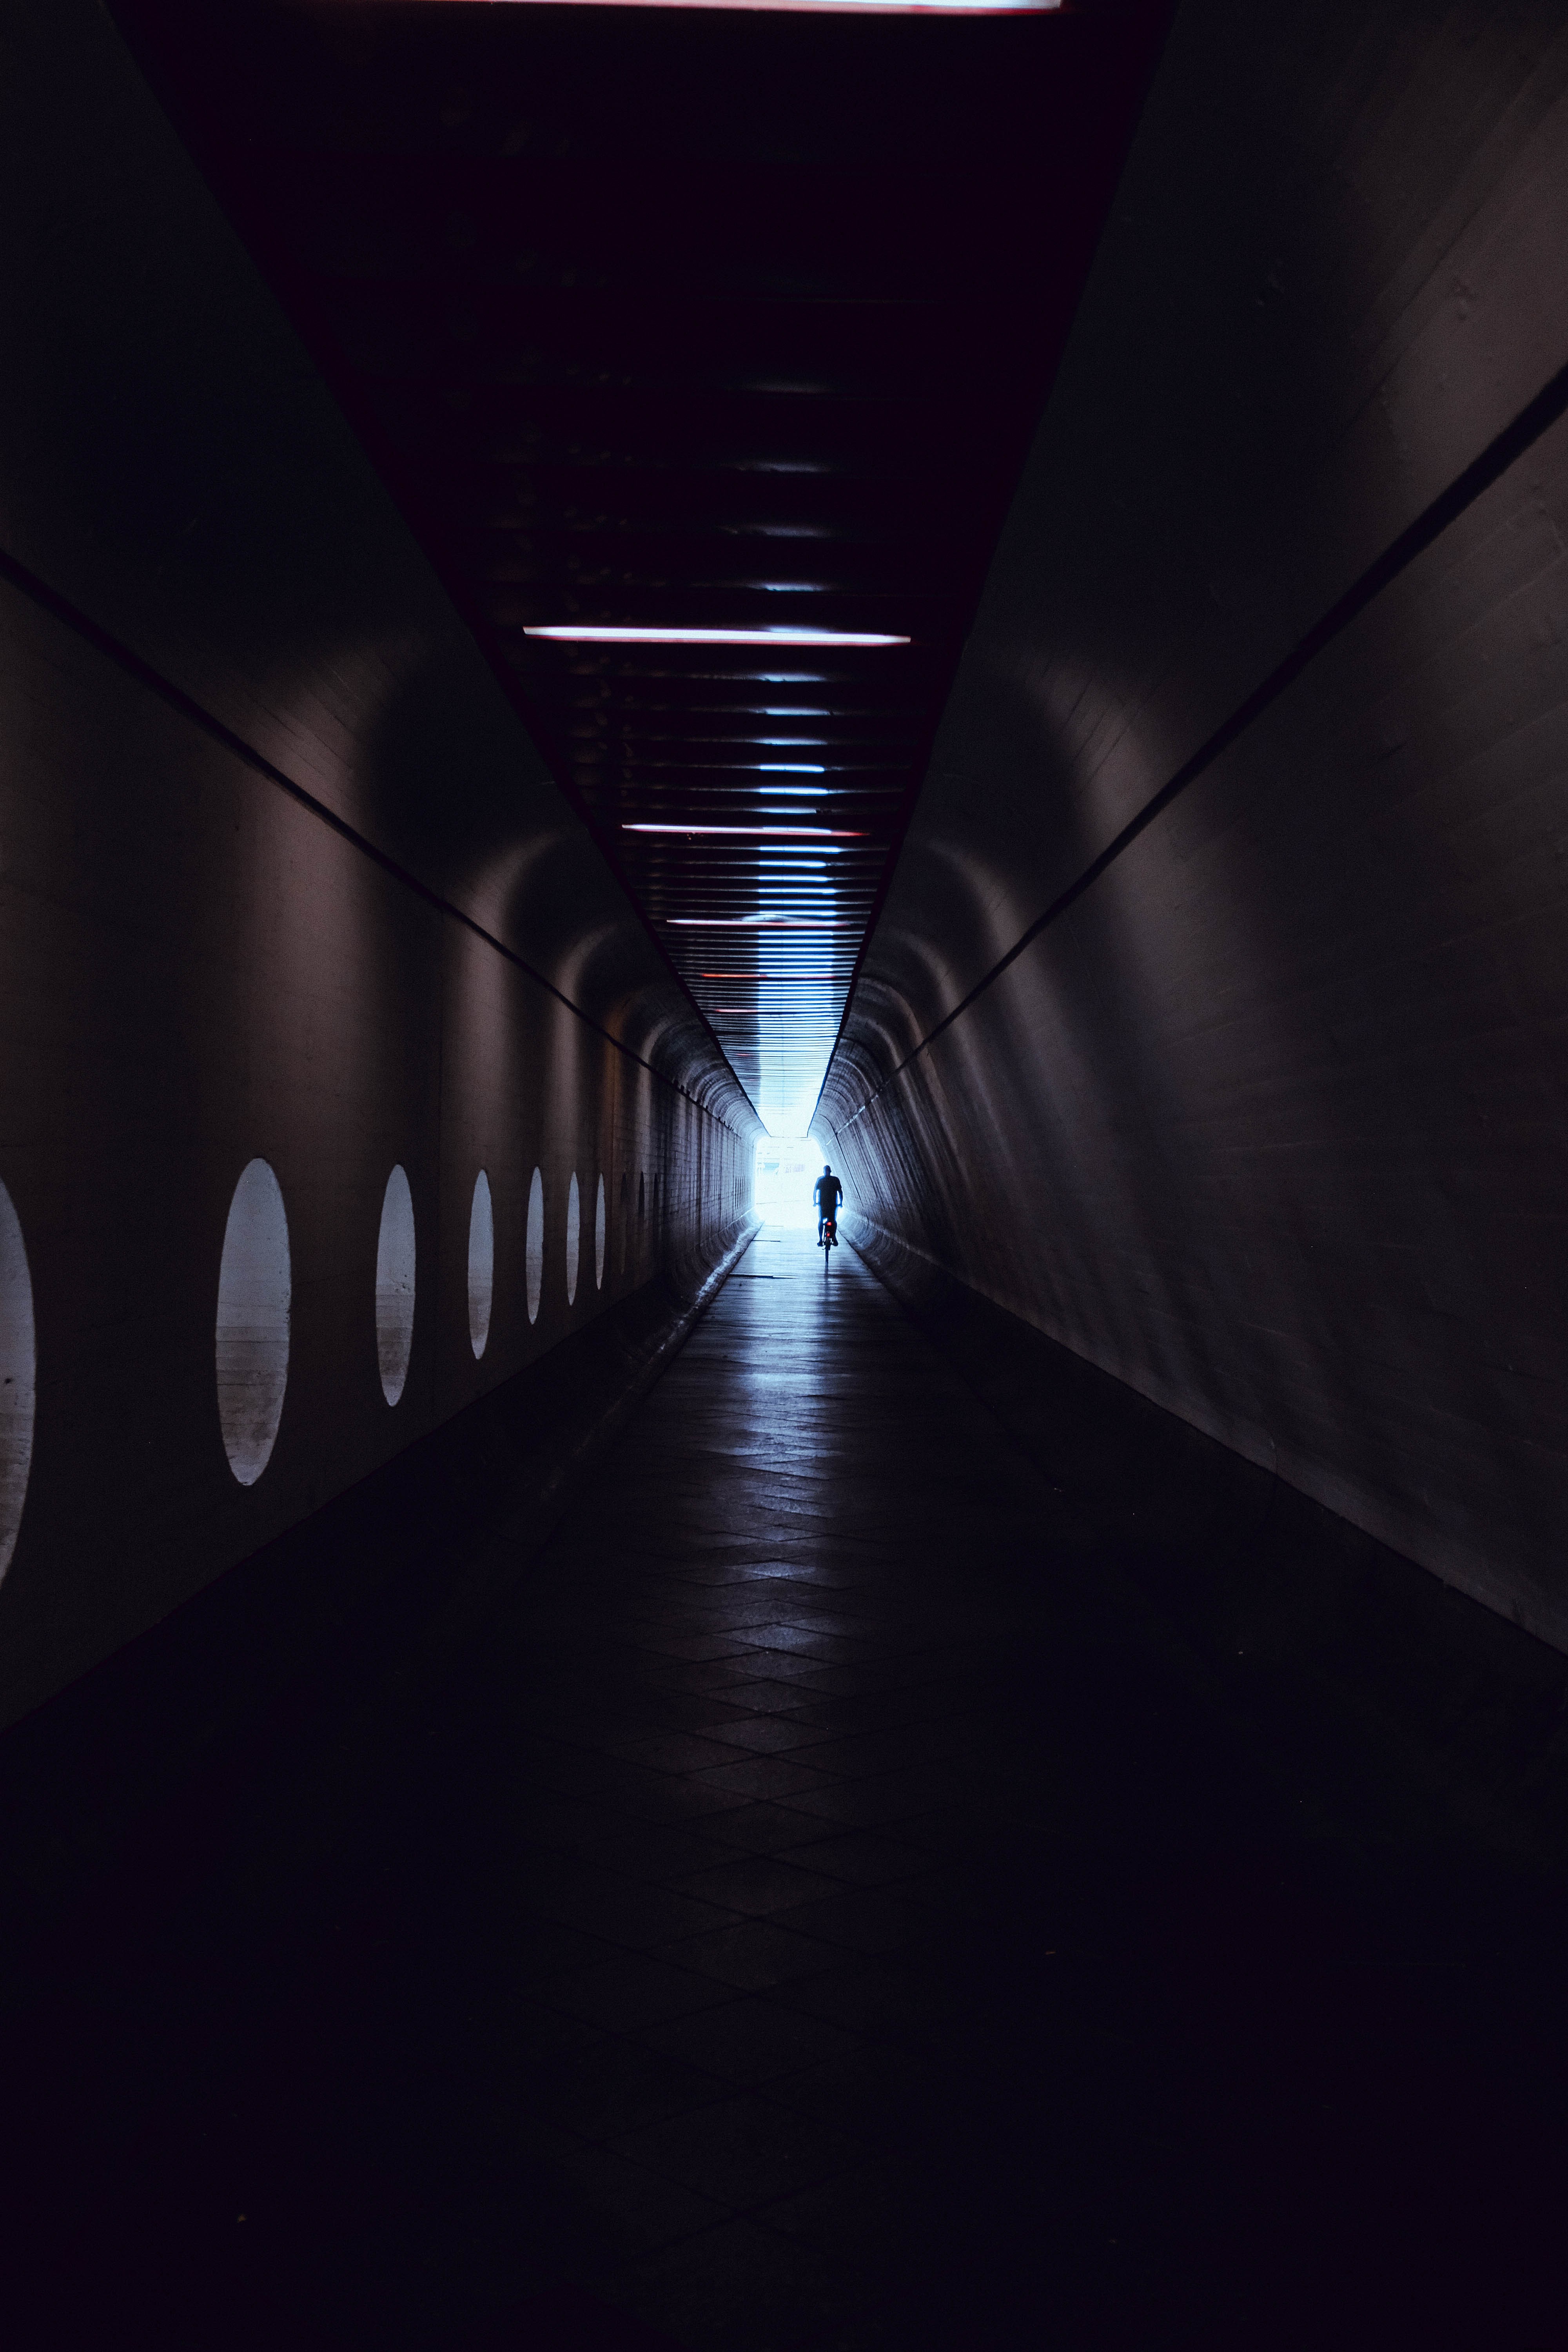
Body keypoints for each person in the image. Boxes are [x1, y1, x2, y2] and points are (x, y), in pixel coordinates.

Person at [813, 1163, 843, 1246]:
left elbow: (815, 1191)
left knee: (822, 1221)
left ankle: (821, 1240)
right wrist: (841, 1203)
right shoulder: (835, 1180)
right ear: (830, 1171)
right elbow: (840, 1192)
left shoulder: (820, 1180)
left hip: (823, 1205)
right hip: (833, 1205)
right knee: (833, 1222)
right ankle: (833, 1237)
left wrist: (815, 1202)